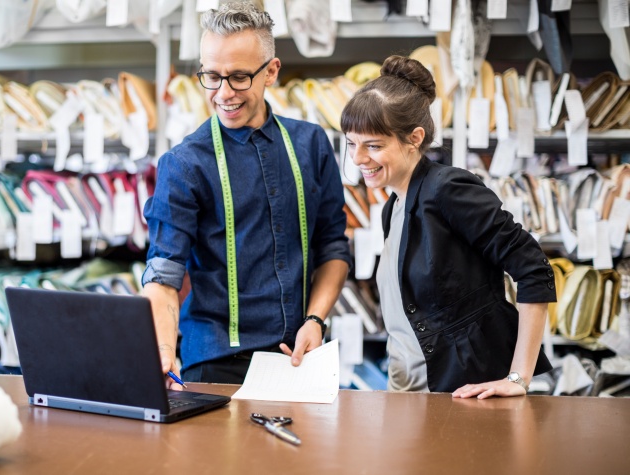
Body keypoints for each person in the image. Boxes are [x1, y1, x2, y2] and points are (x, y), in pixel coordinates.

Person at [142, 2, 351, 386]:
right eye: (211, 76)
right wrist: (163, 351)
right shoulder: (183, 164)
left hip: (299, 357)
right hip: (216, 361)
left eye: (238, 77)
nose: (223, 93)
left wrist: (315, 319)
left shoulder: (311, 144)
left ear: (270, 71)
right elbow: (163, 272)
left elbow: (333, 247)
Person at [340, 55, 555, 398]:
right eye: (352, 143)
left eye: (373, 145)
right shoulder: (392, 207)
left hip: (459, 393)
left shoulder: (447, 189)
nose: (357, 158)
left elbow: (533, 268)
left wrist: (518, 378)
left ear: (414, 138)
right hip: (406, 393)